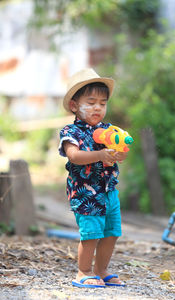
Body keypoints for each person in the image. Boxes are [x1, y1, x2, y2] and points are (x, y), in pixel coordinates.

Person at [59, 68, 127, 288]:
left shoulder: (108, 130)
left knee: (111, 232)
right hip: (86, 192)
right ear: (74, 105)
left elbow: (121, 156)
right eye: (91, 102)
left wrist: (119, 151)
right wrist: (99, 155)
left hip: (108, 190)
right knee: (91, 234)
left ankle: (101, 270)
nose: (98, 107)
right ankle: (83, 271)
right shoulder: (71, 132)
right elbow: (75, 156)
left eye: (103, 103)